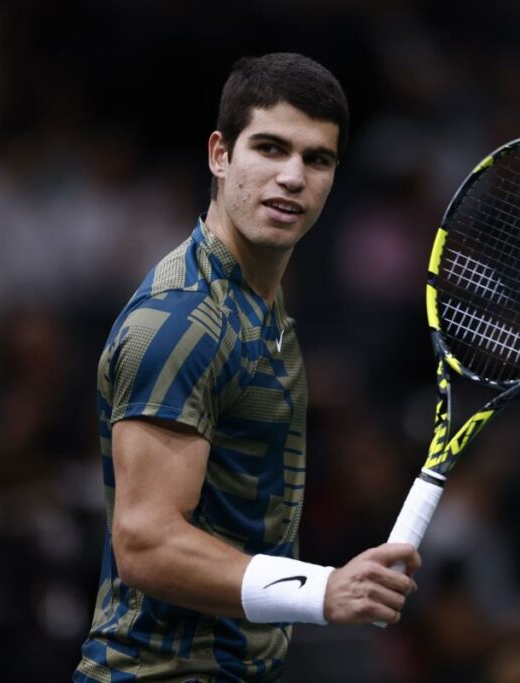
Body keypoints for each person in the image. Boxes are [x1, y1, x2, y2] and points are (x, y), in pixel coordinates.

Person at [74, 53, 422, 682]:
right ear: (219, 154)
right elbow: (145, 542)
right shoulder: (180, 323)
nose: (293, 176)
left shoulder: (259, 304)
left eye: (317, 159)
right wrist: (320, 591)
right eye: (270, 147)